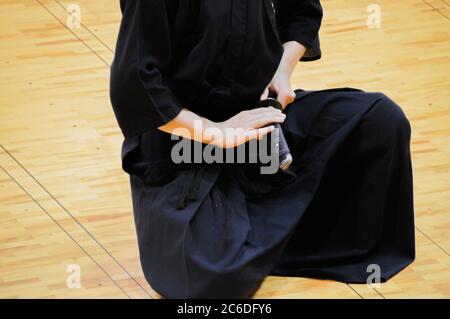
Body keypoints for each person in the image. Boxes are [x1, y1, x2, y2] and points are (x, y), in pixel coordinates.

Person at [110, 0, 415, 298]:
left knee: (380, 121)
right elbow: (135, 84)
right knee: (210, 281)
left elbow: (301, 12)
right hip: (183, 144)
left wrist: (281, 71)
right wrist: (216, 132)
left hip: (257, 124)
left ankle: (254, 244)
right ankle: (253, 241)